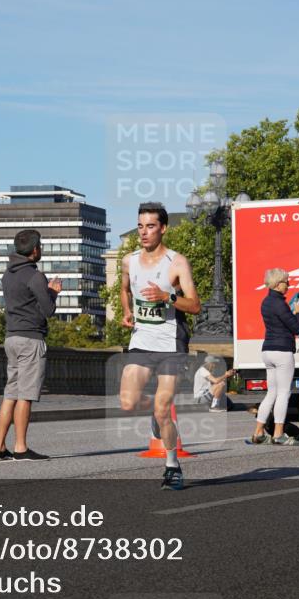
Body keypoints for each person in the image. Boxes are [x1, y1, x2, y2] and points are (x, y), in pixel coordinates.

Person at [119, 202, 201, 491]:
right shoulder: (129, 260)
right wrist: (127, 312)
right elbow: (125, 288)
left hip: (170, 343)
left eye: (150, 226)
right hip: (141, 341)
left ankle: (172, 465)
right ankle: (156, 414)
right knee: (127, 402)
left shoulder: (177, 263)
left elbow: (195, 306)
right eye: (140, 226)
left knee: (164, 407)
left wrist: (167, 297)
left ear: (163, 228)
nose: (143, 232)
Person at [0, 229, 62, 461]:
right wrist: (53, 292)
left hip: (11, 337)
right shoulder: (35, 276)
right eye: (40, 246)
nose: (41, 249)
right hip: (31, 338)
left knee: (10, 393)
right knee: (26, 394)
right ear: (34, 250)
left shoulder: (8, 275)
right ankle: (21, 448)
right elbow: (48, 310)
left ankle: (0, 447)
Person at [250, 267, 299, 445]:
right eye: (286, 282)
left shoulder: (266, 302)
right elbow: (295, 328)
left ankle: (258, 432)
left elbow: (282, 321)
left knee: (271, 393)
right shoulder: (280, 303)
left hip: (267, 350)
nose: (289, 285)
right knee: (284, 393)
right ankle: (278, 434)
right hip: (282, 351)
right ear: (278, 285)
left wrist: (294, 313)